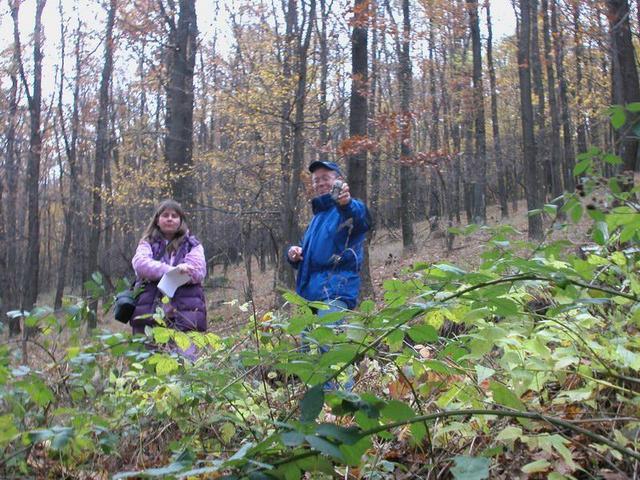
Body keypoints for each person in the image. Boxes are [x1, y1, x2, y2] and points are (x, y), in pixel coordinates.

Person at [287, 161, 371, 388]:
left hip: (335, 290)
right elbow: (309, 259)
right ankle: (320, 404)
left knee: (330, 347)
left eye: (326, 177)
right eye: (316, 180)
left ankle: (343, 403)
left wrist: (347, 203)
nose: (321, 183)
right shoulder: (317, 218)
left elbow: (361, 219)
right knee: (308, 350)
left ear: (338, 180)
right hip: (310, 295)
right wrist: (294, 254)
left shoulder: (346, 209)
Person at [130, 199, 207, 339]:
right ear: (157, 220)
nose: (170, 219)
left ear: (181, 221)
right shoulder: (147, 243)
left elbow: (197, 270)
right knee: (148, 359)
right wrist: (173, 270)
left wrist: (183, 271)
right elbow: (140, 265)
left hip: (186, 316)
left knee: (185, 360)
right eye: (165, 215)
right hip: (149, 316)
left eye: (174, 216)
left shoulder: (193, 245)